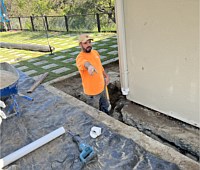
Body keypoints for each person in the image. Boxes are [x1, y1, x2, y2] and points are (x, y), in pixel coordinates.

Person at [76, 34, 110, 114]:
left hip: (102, 87)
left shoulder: (95, 53)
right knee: (94, 113)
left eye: (89, 42)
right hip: (92, 93)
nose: (89, 45)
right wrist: (90, 66)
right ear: (80, 45)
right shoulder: (80, 57)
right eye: (85, 43)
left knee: (105, 107)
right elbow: (85, 63)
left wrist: (106, 76)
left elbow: (100, 67)